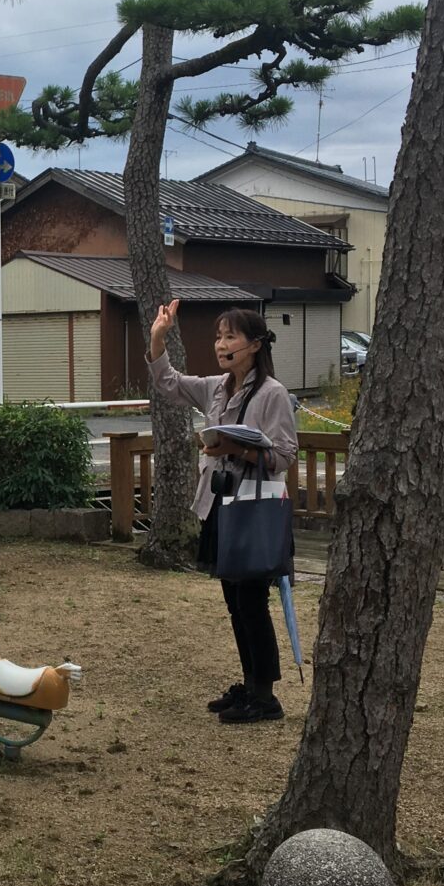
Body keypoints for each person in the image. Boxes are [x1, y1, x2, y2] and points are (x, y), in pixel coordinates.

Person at [148, 302, 299, 725]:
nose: (221, 345)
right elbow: (170, 384)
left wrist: (238, 449)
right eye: (218, 337)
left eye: (230, 337)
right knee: (235, 601)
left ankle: (265, 697)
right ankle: (250, 685)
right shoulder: (216, 387)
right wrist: (159, 336)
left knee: (251, 602)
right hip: (219, 505)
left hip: (254, 512)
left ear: (254, 345)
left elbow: (285, 454)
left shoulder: (272, 393)